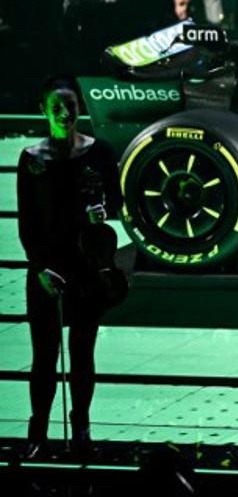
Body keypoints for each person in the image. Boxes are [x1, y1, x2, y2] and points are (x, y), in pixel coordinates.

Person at [18, 76, 122, 458]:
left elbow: (118, 200)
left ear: (80, 107)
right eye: (56, 107)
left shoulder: (101, 152)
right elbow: (26, 222)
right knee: (43, 355)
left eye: (70, 106)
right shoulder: (31, 158)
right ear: (43, 110)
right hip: (46, 269)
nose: (64, 113)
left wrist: (105, 211)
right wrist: (41, 268)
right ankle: (38, 431)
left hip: (88, 266)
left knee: (82, 352)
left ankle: (81, 429)